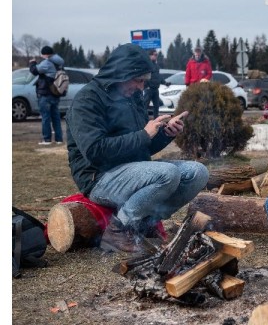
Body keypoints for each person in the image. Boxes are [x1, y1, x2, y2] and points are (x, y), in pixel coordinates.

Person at [65, 43, 210, 254]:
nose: (142, 87)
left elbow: (142, 148)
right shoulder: (87, 100)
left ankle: (145, 225)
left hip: (132, 170)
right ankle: (118, 230)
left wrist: (164, 134)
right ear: (121, 74)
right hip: (99, 177)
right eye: (139, 80)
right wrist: (144, 134)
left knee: (198, 172)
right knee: (167, 174)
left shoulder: (132, 97)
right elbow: (95, 151)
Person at [29, 46, 65, 145]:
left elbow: (34, 71)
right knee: (56, 117)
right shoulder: (60, 63)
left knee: (46, 117)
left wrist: (32, 62)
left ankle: (47, 139)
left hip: (46, 94)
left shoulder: (47, 63)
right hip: (55, 93)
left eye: (42, 54)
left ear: (46, 54)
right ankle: (59, 139)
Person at [143, 49, 168, 118]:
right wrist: (146, 86)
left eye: (157, 55)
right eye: (155, 55)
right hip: (149, 89)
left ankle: (156, 121)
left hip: (155, 89)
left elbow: (158, 76)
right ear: (150, 56)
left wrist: (165, 82)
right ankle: (144, 121)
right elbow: (144, 76)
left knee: (156, 106)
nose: (156, 56)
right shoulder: (147, 65)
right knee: (145, 106)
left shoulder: (156, 66)